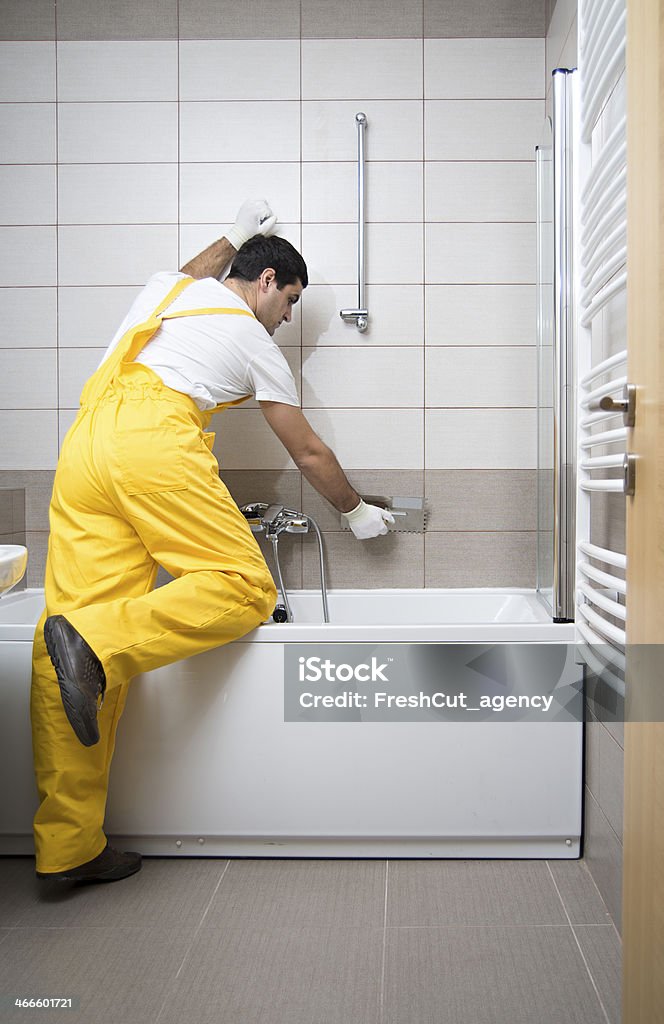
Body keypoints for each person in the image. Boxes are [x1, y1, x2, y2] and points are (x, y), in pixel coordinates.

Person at [31, 199, 394, 884]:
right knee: (243, 588)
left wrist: (235, 233)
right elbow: (309, 451)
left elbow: (194, 268)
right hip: (153, 440)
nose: (286, 320)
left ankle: (67, 845)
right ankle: (101, 646)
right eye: (288, 302)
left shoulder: (170, 292)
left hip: (84, 446)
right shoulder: (256, 344)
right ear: (265, 282)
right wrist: (354, 511)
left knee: (67, 626)